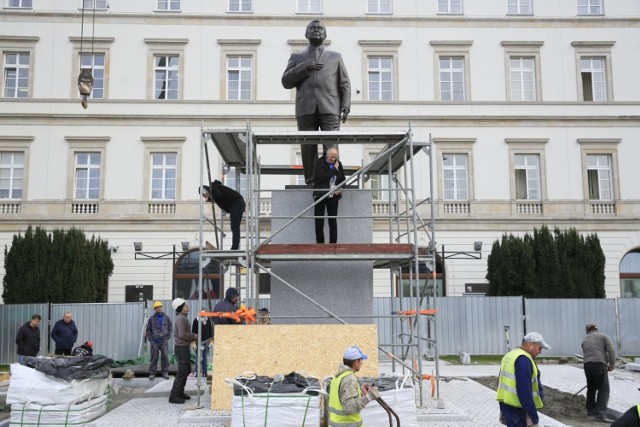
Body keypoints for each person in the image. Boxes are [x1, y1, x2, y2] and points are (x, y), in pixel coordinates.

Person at [281, 19, 351, 185]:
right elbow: (285, 81)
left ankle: (332, 178)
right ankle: (311, 180)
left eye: (320, 28)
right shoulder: (297, 57)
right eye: (312, 28)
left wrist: (346, 105)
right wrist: (304, 67)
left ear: (325, 34)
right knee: (307, 146)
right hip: (305, 108)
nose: (316, 30)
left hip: (330, 107)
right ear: (306, 34)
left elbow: (345, 83)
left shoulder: (335, 57)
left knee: (331, 145)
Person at [497, 332, 550, 427]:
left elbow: (501, 382)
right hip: (518, 409)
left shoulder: (511, 355)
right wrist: (533, 415)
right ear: (530, 345)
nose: (540, 352)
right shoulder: (523, 360)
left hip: (508, 406)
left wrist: (502, 409)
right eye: (539, 348)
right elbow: (524, 390)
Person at [328, 345, 380, 426]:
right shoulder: (350, 379)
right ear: (355, 362)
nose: (362, 363)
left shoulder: (337, 377)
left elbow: (342, 399)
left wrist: (361, 392)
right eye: (361, 360)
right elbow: (350, 407)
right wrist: (369, 397)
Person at [581, 323, 616, 423]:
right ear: (596, 329)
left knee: (591, 388)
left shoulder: (585, 340)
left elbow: (586, 352)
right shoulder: (603, 336)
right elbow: (611, 350)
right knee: (604, 389)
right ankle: (601, 414)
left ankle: (591, 410)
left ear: (587, 331)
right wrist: (612, 364)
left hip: (587, 365)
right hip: (599, 364)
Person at [200, 180, 246, 250]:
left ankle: (235, 247)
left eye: (204, 195)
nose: (204, 197)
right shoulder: (215, 189)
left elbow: (217, 194)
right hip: (236, 204)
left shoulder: (213, 188)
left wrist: (209, 198)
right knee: (234, 226)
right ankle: (235, 246)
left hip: (237, 203)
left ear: (205, 191)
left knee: (235, 226)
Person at [313, 146, 345, 244]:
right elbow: (322, 177)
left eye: (335, 157)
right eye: (331, 156)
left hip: (333, 196)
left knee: (332, 221)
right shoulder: (320, 162)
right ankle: (320, 245)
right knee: (319, 222)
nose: (333, 159)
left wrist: (341, 188)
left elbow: (343, 179)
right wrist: (334, 170)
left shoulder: (339, 164)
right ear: (326, 155)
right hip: (320, 195)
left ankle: (333, 245)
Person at [169, 298, 197, 404]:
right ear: (181, 308)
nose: (187, 306)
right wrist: (195, 336)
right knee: (182, 372)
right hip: (181, 348)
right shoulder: (181, 319)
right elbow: (182, 334)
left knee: (186, 370)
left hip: (183, 347)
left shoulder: (183, 317)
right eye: (185, 305)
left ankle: (180, 392)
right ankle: (174, 395)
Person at [146, 301, 172, 380]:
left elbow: (170, 328)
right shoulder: (151, 319)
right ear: (155, 309)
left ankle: (165, 372)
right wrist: (151, 340)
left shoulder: (167, 318)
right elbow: (148, 330)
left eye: (160, 307)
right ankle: (152, 373)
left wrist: (167, 337)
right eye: (157, 307)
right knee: (154, 357)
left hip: (164, 341)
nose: (159, 308)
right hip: (155, 342)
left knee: (165, 357)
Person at [192, 306, 213, 377]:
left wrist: (211, 341)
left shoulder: (208, 320)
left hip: (206, 341)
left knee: (205, 357)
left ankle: (205, 372)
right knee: (198, 357)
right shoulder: (196, 320)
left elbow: (210, 331)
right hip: (198, 341)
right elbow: (193, 331)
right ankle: (198, 373)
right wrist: (193, 342)